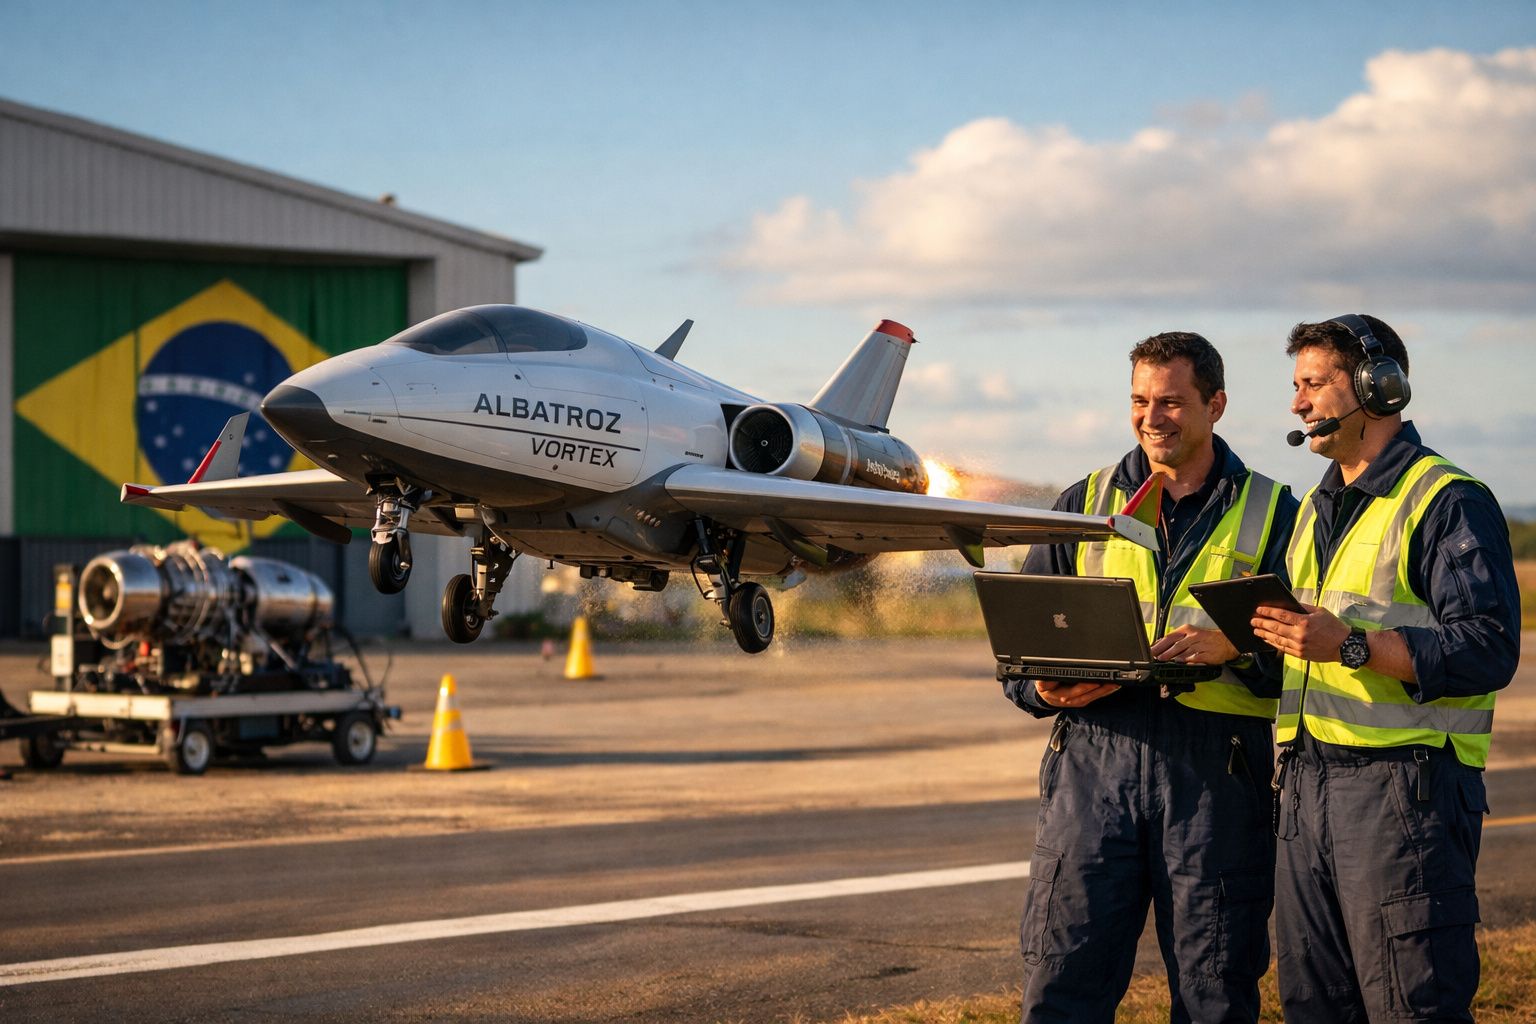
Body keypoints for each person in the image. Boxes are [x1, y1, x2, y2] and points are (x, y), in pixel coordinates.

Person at [1003, 332, 1297, 1024]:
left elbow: (1304, 655)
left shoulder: (1278, 512)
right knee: (1062, 978)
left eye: (1170, 401)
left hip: (1218, 775)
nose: (1151, 416)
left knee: (1213, 989)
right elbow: (1019, 647)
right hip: (1092, 768)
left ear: (1215, 404)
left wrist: (1234, 648)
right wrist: (1042, 690)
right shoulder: (1087, 500)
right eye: (1139, 400)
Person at [1252, 315, 1519, 1024]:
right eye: (1295, 386)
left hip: (1406, 792)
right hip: (1305, 785)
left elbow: (1488, 648)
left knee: (1412, 1004)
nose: (1297, 404)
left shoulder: (1447, 499)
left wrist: (1352, 645)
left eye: (1314, 384)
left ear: (1379, 388)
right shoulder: (1315, 506)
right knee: (1313, 1003)